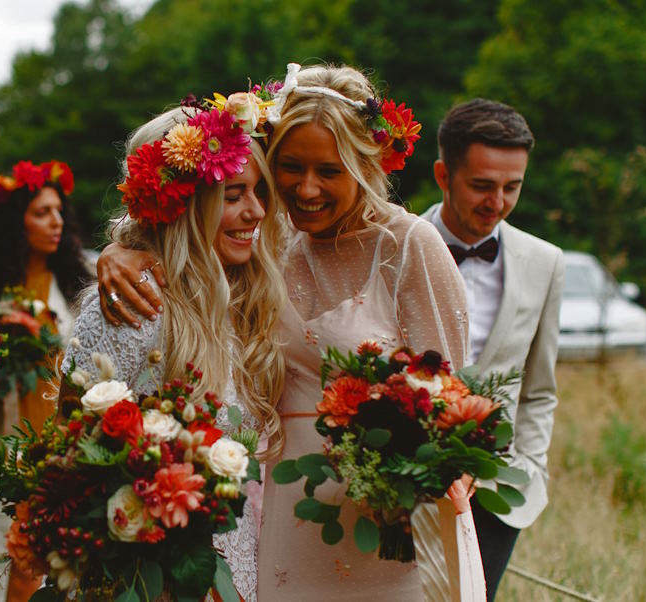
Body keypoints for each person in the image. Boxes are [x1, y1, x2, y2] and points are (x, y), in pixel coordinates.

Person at [98, 64, 484, 601]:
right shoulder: (264, 241)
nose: (306, 189)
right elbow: (185, 230)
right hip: (280, 520)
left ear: (364, 165)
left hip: (388, 529)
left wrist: (426, 479)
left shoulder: (408, 247)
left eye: (329, 170)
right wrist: (125, 248)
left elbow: (453, 406)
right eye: (290, 167)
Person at [62, 96, 288, 601]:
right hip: (148, 574)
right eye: (233, 194)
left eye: (259, 191)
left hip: (239, 562)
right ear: (183, 204)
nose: (256, 211)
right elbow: (73, 456)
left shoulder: (244, 295)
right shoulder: (130, 304)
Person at [424, 98, 564, 601]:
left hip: (501, 491)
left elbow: (541, 387)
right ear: (443, 174)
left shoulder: (545, 262)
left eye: (513, 187)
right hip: (404, 484)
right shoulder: (393, 248)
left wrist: (529, 464)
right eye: (482, 185)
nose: (498, 202)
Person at [0, 160, 92, 601]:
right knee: (3, 555)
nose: (56, 221)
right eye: (42, 212)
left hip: (62, 445)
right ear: (14, 222)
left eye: (59, 211)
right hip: (5, 436)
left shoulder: (78, 284)